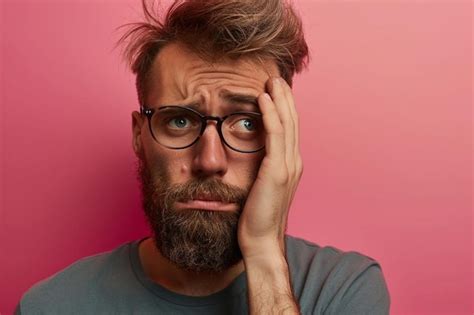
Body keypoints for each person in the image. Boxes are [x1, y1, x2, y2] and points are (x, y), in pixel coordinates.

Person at [15, 0, 390, 314]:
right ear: (138, 135)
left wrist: (264, 255)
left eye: (246, 123)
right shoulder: (50, 306)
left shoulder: (343, 289)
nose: (210, 161)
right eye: (179, 120)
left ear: (282, 139)